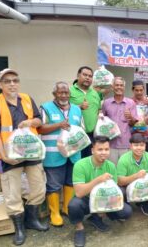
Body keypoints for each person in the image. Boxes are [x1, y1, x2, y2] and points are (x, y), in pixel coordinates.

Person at [0, 69, 48, 245]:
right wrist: (5, 156)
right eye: (7, 81)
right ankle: (19, 228)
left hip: (31, 153)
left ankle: (32, 220)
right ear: (0, 85)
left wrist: (30, 122)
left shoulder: (27, 99)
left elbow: (39, 121)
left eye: (15, 80)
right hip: (9, 157)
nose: (12, 83)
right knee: (12, 193)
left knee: (38, 188)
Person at [68, 136, 132, 247]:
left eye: (106, 149)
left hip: (103, 198)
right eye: (100, 149)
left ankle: (97, 217)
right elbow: (79, 192)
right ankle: (79, 228)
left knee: (126, 211)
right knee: (74, 205)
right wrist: (98, 180)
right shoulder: (80, 165)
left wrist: (105, 207)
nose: (104, 152)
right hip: (86, 199)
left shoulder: (111, 166)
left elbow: (114, 190)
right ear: (92, 150)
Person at [38, 81, 83, 227]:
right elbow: (40, 128)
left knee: (70, 181)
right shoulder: (46, 107)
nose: (64, 95)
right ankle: (55, 213)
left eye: (66, 92)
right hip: (53, 154)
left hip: (73, 153)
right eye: (60, 92)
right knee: (54, 184)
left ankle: (66, 208)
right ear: (54, 94)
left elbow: (82, 129)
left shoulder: (77, 109)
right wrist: (59, 125)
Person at [117, 133, 148, 216]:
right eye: (136, 145)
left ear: (145, 146)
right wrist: (136, 176)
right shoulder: (124, 159)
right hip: (128, 186)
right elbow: (120, 182)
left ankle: (144, 204)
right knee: (120, 192)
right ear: (131, 146)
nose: (139, 148)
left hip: (144, 186)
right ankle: (128, 204)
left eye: (142, 145)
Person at [102, 77, 139, 165]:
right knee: (111, 170)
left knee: (124, 171)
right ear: (112, 87)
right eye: (117, 85)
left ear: (124, 87)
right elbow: (102, 122)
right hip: (110, 144)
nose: (119, 87)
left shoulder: (131, 103)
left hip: (125, 144)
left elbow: (134, 124)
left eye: (121, 85)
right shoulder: (106, 103)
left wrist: (130, 117)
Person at [70, 66, 101, 158]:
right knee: (76, 163)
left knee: (89, 162)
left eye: (90, 76)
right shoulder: (69, 91)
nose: (87, 78)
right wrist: (78, 107)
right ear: (78, 76)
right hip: (75, 136)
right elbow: (62, 109)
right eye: (85, 75)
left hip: (91, 135)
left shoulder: (95, 93)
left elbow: (98, 109)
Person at [131, 80, 148, 153]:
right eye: (137, 90)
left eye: (141, 90)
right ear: (132, 90)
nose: (139, 92)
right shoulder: (129, 102)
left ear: (144, 90)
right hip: (135, 135)